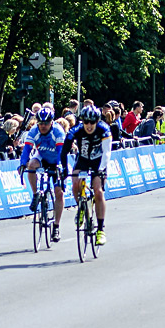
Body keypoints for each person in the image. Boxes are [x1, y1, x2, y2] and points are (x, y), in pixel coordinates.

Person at [62, 105, 112, 245]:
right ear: (82, 121)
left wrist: (101, 170)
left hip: (99, 162)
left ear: (97, 121)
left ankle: (101, 230)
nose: (89, 125)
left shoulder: (104, 130)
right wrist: (65, 170)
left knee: (98, 191)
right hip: (83, 160)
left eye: (92, 122)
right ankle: (81, 207)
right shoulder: (76, 130)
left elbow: (107, 152)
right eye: (86, 122)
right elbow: (64, 151)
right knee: (75, 184)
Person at [20, 106, 67, 242]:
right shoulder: (34, 131)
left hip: (56, 160)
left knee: (59, 192)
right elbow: (27, 150)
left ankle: (56, 226)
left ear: (52, 122)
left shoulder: (58, 132)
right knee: (31, 165)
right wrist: (23, 164)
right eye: (40, 123)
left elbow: (60, 153)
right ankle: (35, 195)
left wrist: (59, 167)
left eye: (46, 123)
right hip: (42, 157)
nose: (43, 126)